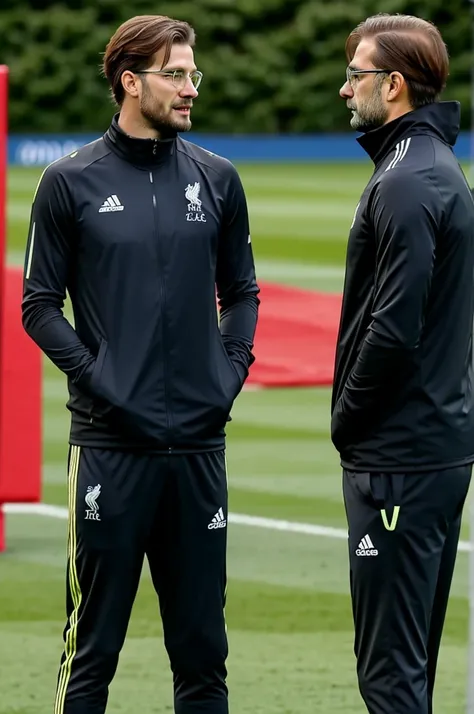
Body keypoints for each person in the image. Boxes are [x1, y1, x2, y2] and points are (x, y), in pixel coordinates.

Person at [22, 14, 259, 714]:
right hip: (108, 450)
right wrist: (103, 382)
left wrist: (230, 371)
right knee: (91, 653)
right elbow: (38, 305)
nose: (191, 88)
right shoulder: (69, 182)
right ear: (131, 81)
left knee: (203, 657)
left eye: (194, 75)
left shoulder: (218, 179)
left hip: (197, 449)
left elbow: (241, 290)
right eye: (176, 74)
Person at [331, 13, 474, 714]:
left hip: (400, 455)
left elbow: (395, 325)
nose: (343, 89)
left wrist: (348, 418)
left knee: (389, 675)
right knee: (407, 667)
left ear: (392, 85)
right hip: (428, 447)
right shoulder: (426, 165)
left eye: (355, 74)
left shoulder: (409, 178)